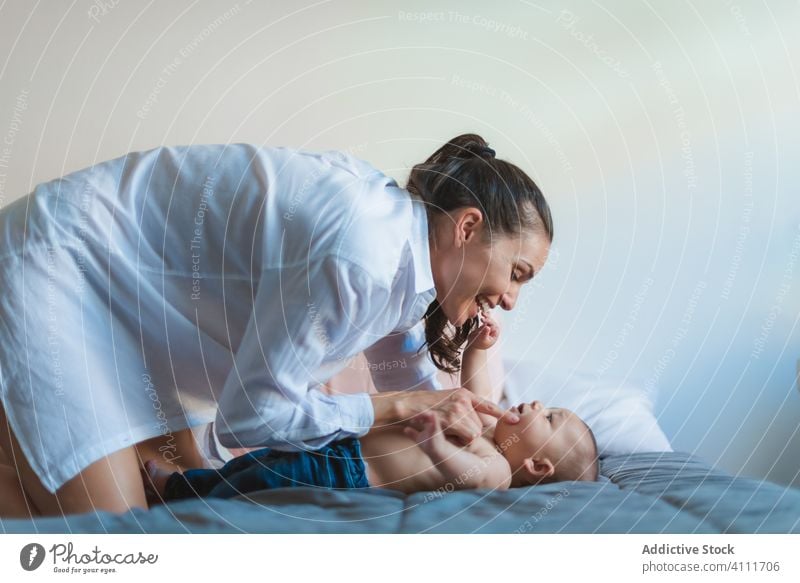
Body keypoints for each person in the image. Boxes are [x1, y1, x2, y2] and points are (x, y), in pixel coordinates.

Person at [0, 133, 552, 517]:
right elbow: (247, 420)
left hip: (130, 309)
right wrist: (391, 408)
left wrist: (473, 404)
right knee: (116, 539)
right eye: (517, 273)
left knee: (180, 504)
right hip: (63, 265)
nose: (511, 300)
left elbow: (429, 397)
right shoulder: (363, 257)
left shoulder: (409, 269)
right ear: (467, 226)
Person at [142, 312, 598, 502]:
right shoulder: (487, 430)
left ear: (537, 466)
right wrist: (479, 347)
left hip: (352, 474)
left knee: (262, 481)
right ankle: (184, 483)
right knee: (262, 463)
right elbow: (478, 393)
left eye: (551, 416)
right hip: (341, 444)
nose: (539, 403)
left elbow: (467, 476)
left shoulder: (496, 470)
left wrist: (436, 444)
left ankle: (180, 493)